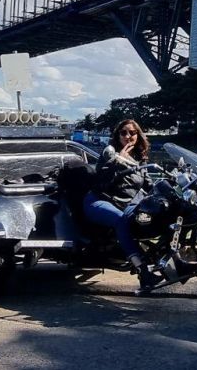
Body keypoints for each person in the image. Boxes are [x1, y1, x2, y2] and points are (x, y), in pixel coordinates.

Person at [83, 118, 160, 293]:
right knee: (122, 220)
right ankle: (143, 271)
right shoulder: (110, 153)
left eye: (132, 133)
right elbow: (100, 181)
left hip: (125, 203)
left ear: (138, 135)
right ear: (117, 136)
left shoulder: (140, 159)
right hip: (99, 201)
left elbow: (148, 185)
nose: (128, 136)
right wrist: (118, 161)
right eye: (123, 132)